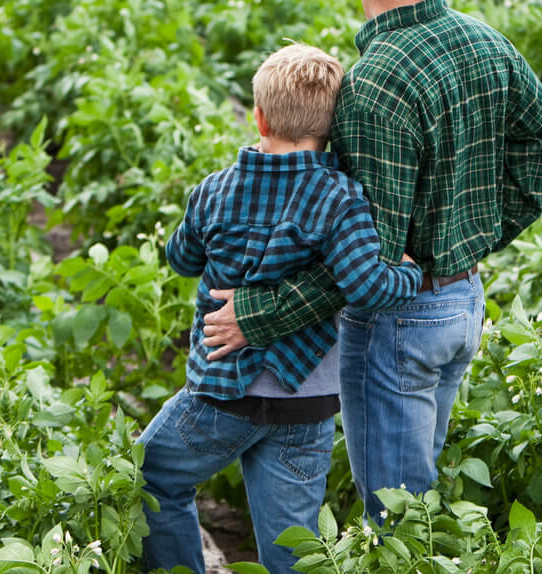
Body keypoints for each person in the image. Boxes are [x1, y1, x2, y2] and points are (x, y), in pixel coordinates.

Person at [202, 0, 542, 518]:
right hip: (462, 303)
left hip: (400, 321)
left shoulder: (371, 87)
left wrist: (256, 315)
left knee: (398, 517)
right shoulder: (486, 42)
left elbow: (366, 266)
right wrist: (477, 234)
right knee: (416, 505)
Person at [138, 44, 423, 574]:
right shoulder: (341, 197)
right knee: (291, 543)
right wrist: (409, 270)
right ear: (331, 126)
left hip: (224, 391)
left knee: (150, 478)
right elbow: (366, 286)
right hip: (306, 400)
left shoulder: (216, 190)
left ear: (259, 116)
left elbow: (179, 258)